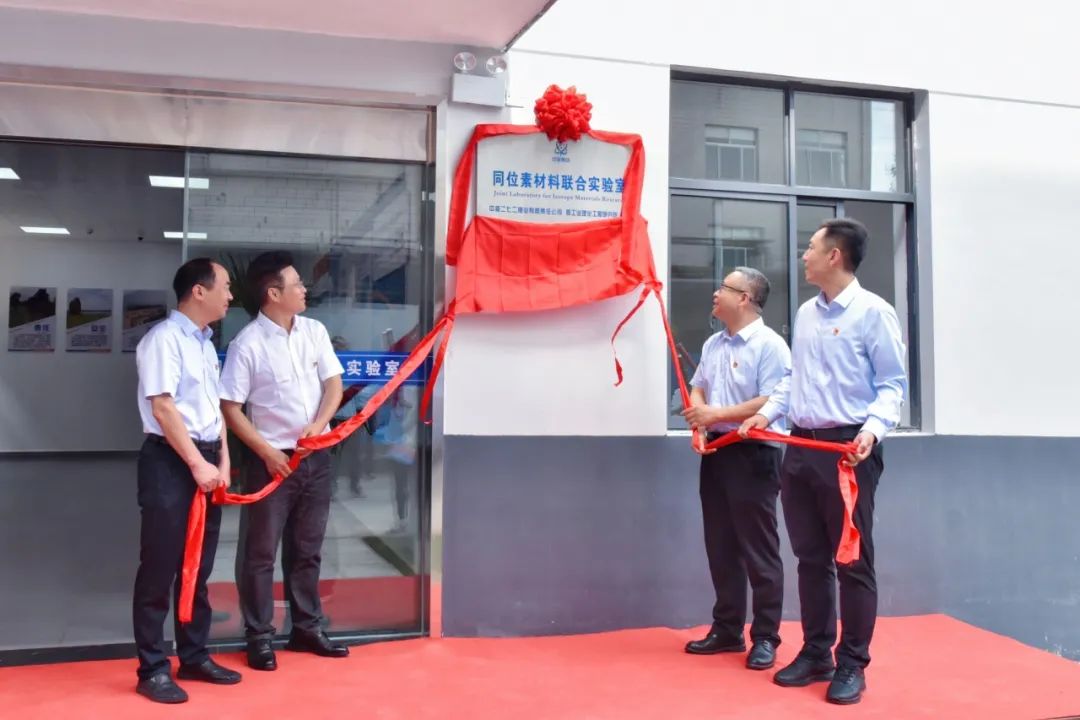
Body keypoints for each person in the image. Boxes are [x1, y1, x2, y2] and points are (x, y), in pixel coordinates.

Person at [740, 218, 907, 705]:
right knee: (810, 558)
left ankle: (853, 662)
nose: (804, 255)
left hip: (846, 453)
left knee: (852, 562)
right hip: (800, 449)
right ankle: (817, 652)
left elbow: (892, 385)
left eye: (811, 247)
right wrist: (767, 414)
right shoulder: (807, 313)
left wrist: (871, 432)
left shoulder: (874, 313)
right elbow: (795, 379)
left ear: (835, 255)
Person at [220, 251, 349, 672]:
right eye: (296, 284)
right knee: (260, 554)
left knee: (307, 549)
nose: (304, 289)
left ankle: (307, 628)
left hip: (315, 458)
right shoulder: (247, 345)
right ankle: (259, 636)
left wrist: (320, 425)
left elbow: (333, 385)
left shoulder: (314, 331)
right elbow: (231, 407)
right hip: (270, 464)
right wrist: (267, 452)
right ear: (273, 294)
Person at [132, 258, 242, 704]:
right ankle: (152, 668)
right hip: (171, 461)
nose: (230, 295)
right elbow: (163, 408)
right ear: (199, 291)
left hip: (207, 459)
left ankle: (194, 655)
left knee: (199, 565)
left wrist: (224, 460)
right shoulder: (164, 339)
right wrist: (197, 464)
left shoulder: (205, 343)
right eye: (225, 287)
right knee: (160, 566)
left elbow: (214, 410)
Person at [681, 267, 791, 671]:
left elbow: (772, 399)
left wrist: (715, 414)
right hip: (716, 451)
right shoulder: (714, 343)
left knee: (758, 549)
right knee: (721, 545)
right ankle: (727, 629)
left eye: (724, 288)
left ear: (744, 298)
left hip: (754, 452)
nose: (715, 293)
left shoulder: (770, 345)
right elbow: (699, 386)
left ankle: (765, 637)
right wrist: (700, 420)